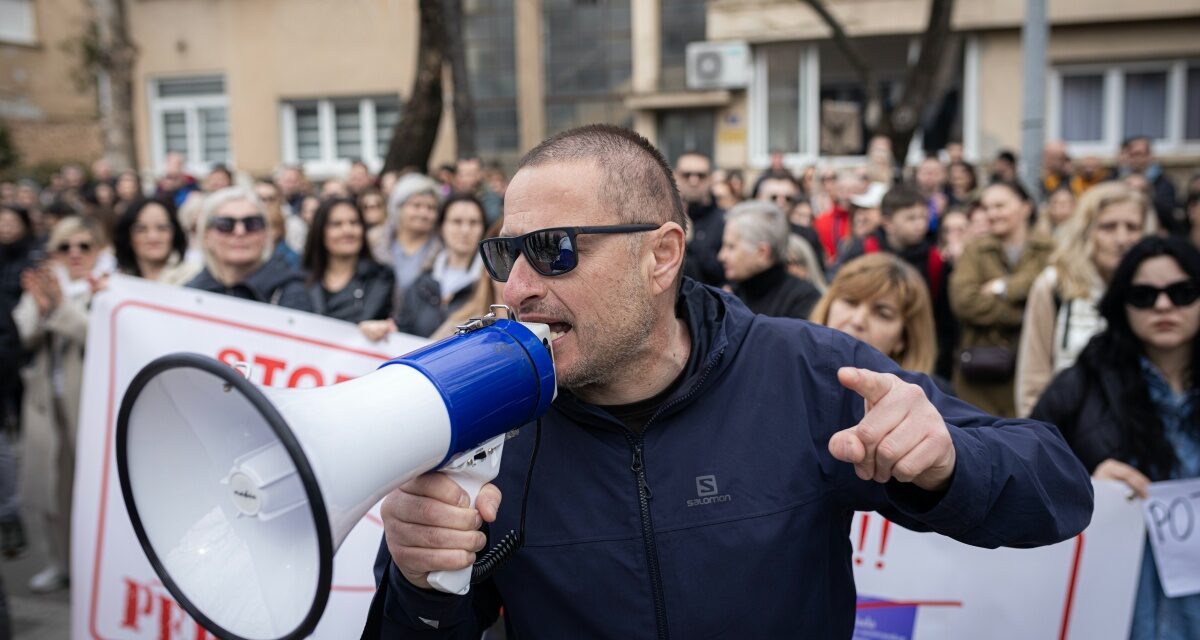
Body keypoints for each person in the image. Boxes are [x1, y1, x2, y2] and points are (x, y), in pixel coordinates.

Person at [364, 124, 1093, 638]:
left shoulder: (809, 372)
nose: (518, 285)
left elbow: (1058, 489)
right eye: (505, 252)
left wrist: (949, 465)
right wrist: (422, 583)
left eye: (553, 251)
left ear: (660, 257)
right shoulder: (485, 420)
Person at [1031, 236, 1200, 640]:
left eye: (1182, 292)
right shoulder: (1082, 382)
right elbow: (1028, 471)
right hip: (1112, 607)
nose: (1163, 306)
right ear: (1122, 302)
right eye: (1144, 295)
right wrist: (1086, 482)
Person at [14, 216, 106, 593]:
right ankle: (61, 563)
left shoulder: (106, 285)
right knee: (53, 489)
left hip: (89, 405)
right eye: (65, 247)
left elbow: (97, 335)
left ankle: (96, 566)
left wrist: (61, 308)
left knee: (92, 490)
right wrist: (43, 306)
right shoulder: (45, 284)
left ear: (97, 249)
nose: (74, 254)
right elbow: (24, 333)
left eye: (83, 246)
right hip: (45, 404)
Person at [1015, 182, 1155, 417]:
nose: (1121, 239)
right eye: (1108, 227)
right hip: (1068, 434)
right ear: (1086, 231)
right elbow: (1033, 379)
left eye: (1132, 227)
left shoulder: (1161, 290)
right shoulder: (1054, 285)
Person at [948, 181, 1054, 417]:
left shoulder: (1049, 249)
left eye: (1000, 206)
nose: (992, 214)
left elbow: (1054, 291)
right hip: (981, 375)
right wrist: (1026, 312)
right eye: (987, 208)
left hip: (1032, 370)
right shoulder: (975, 250)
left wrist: (1005, 287)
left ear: (1025, 208)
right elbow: (965, 302)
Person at [811, 253, 944, 389]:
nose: (858, 321)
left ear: (904, 338)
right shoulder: (793, 370)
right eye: (850, 301)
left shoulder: (933, 406)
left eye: (882, 314)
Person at [185, 187, 313, 311]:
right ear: (206, 235)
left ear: (265, 233)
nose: (240, 232)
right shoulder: (188, 294)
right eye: (225, 224)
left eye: (252, 223)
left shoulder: (292, 294)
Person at [392, 194, 486, 337]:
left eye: (473, 222)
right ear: (442, 227)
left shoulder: (492, 284)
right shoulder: (421, 283)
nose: (465, 230)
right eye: (457, 221)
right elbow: (402, 331)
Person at [718, 200, 821, 320]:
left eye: (731, 247)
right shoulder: (730, 293)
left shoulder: (803, 300)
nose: (721, 256)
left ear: (762, 253)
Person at [301, 197, 395, 323]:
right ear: (320, 231)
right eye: (336, 224)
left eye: (354, 223)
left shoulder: (381, 277)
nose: (348, 230)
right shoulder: (300, 279)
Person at [370, 173, 443, 301]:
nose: (424, 213)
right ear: (399, 208)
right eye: (416, 206)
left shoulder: (443, 249)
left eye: (431, 208)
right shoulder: (375, 242)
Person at [111, 197, 202, 285]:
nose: (153, 237)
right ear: (128, 236)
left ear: (175, 233)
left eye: (162, 228)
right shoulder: (117, 282)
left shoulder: (196, 278)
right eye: (141, 229)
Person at [675, 151, 726, 287]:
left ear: (710, 179)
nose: (694, 181)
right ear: (676, 177)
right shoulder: (660, 217)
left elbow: (723, 274)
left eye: (701, 175)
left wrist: (693, 242)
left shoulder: (725, 221)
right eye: (687, 175)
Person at [1120, 136, 1182, 235]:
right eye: (1131, 154)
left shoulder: (1164, 183)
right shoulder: (1115, 178)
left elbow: (1170, 217)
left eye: (1139, 154)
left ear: (1149, 156)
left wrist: (1147, 191)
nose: (1135, 159)